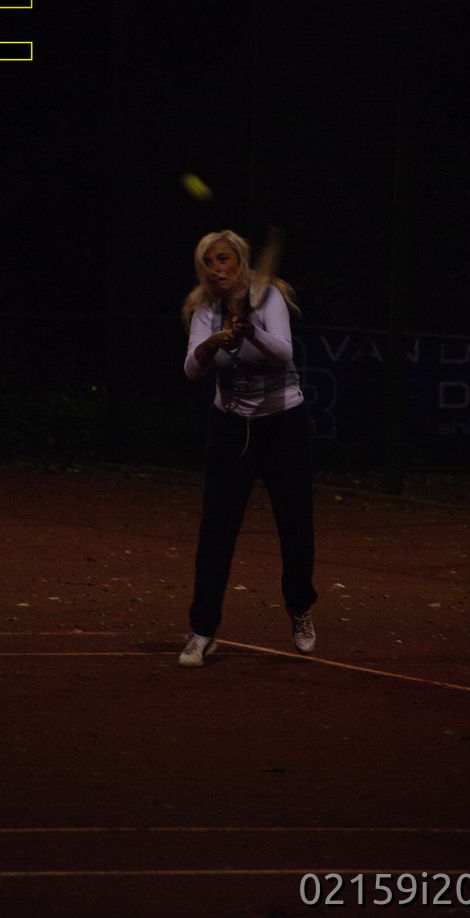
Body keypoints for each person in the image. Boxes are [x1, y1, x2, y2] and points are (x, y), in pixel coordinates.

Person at [178, 228, 318, 667]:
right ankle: (203, 630)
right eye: (208, 262)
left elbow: (283, 352)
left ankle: (300, 607)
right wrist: (213, 342)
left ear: (240, 262)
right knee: (216, 531)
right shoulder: (204, 309)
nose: (216, 269)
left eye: (223, 259)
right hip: (230, 428)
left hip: (283, 425)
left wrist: (250, 332)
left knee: (296, 525)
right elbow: (191, 370)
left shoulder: (269, 298)